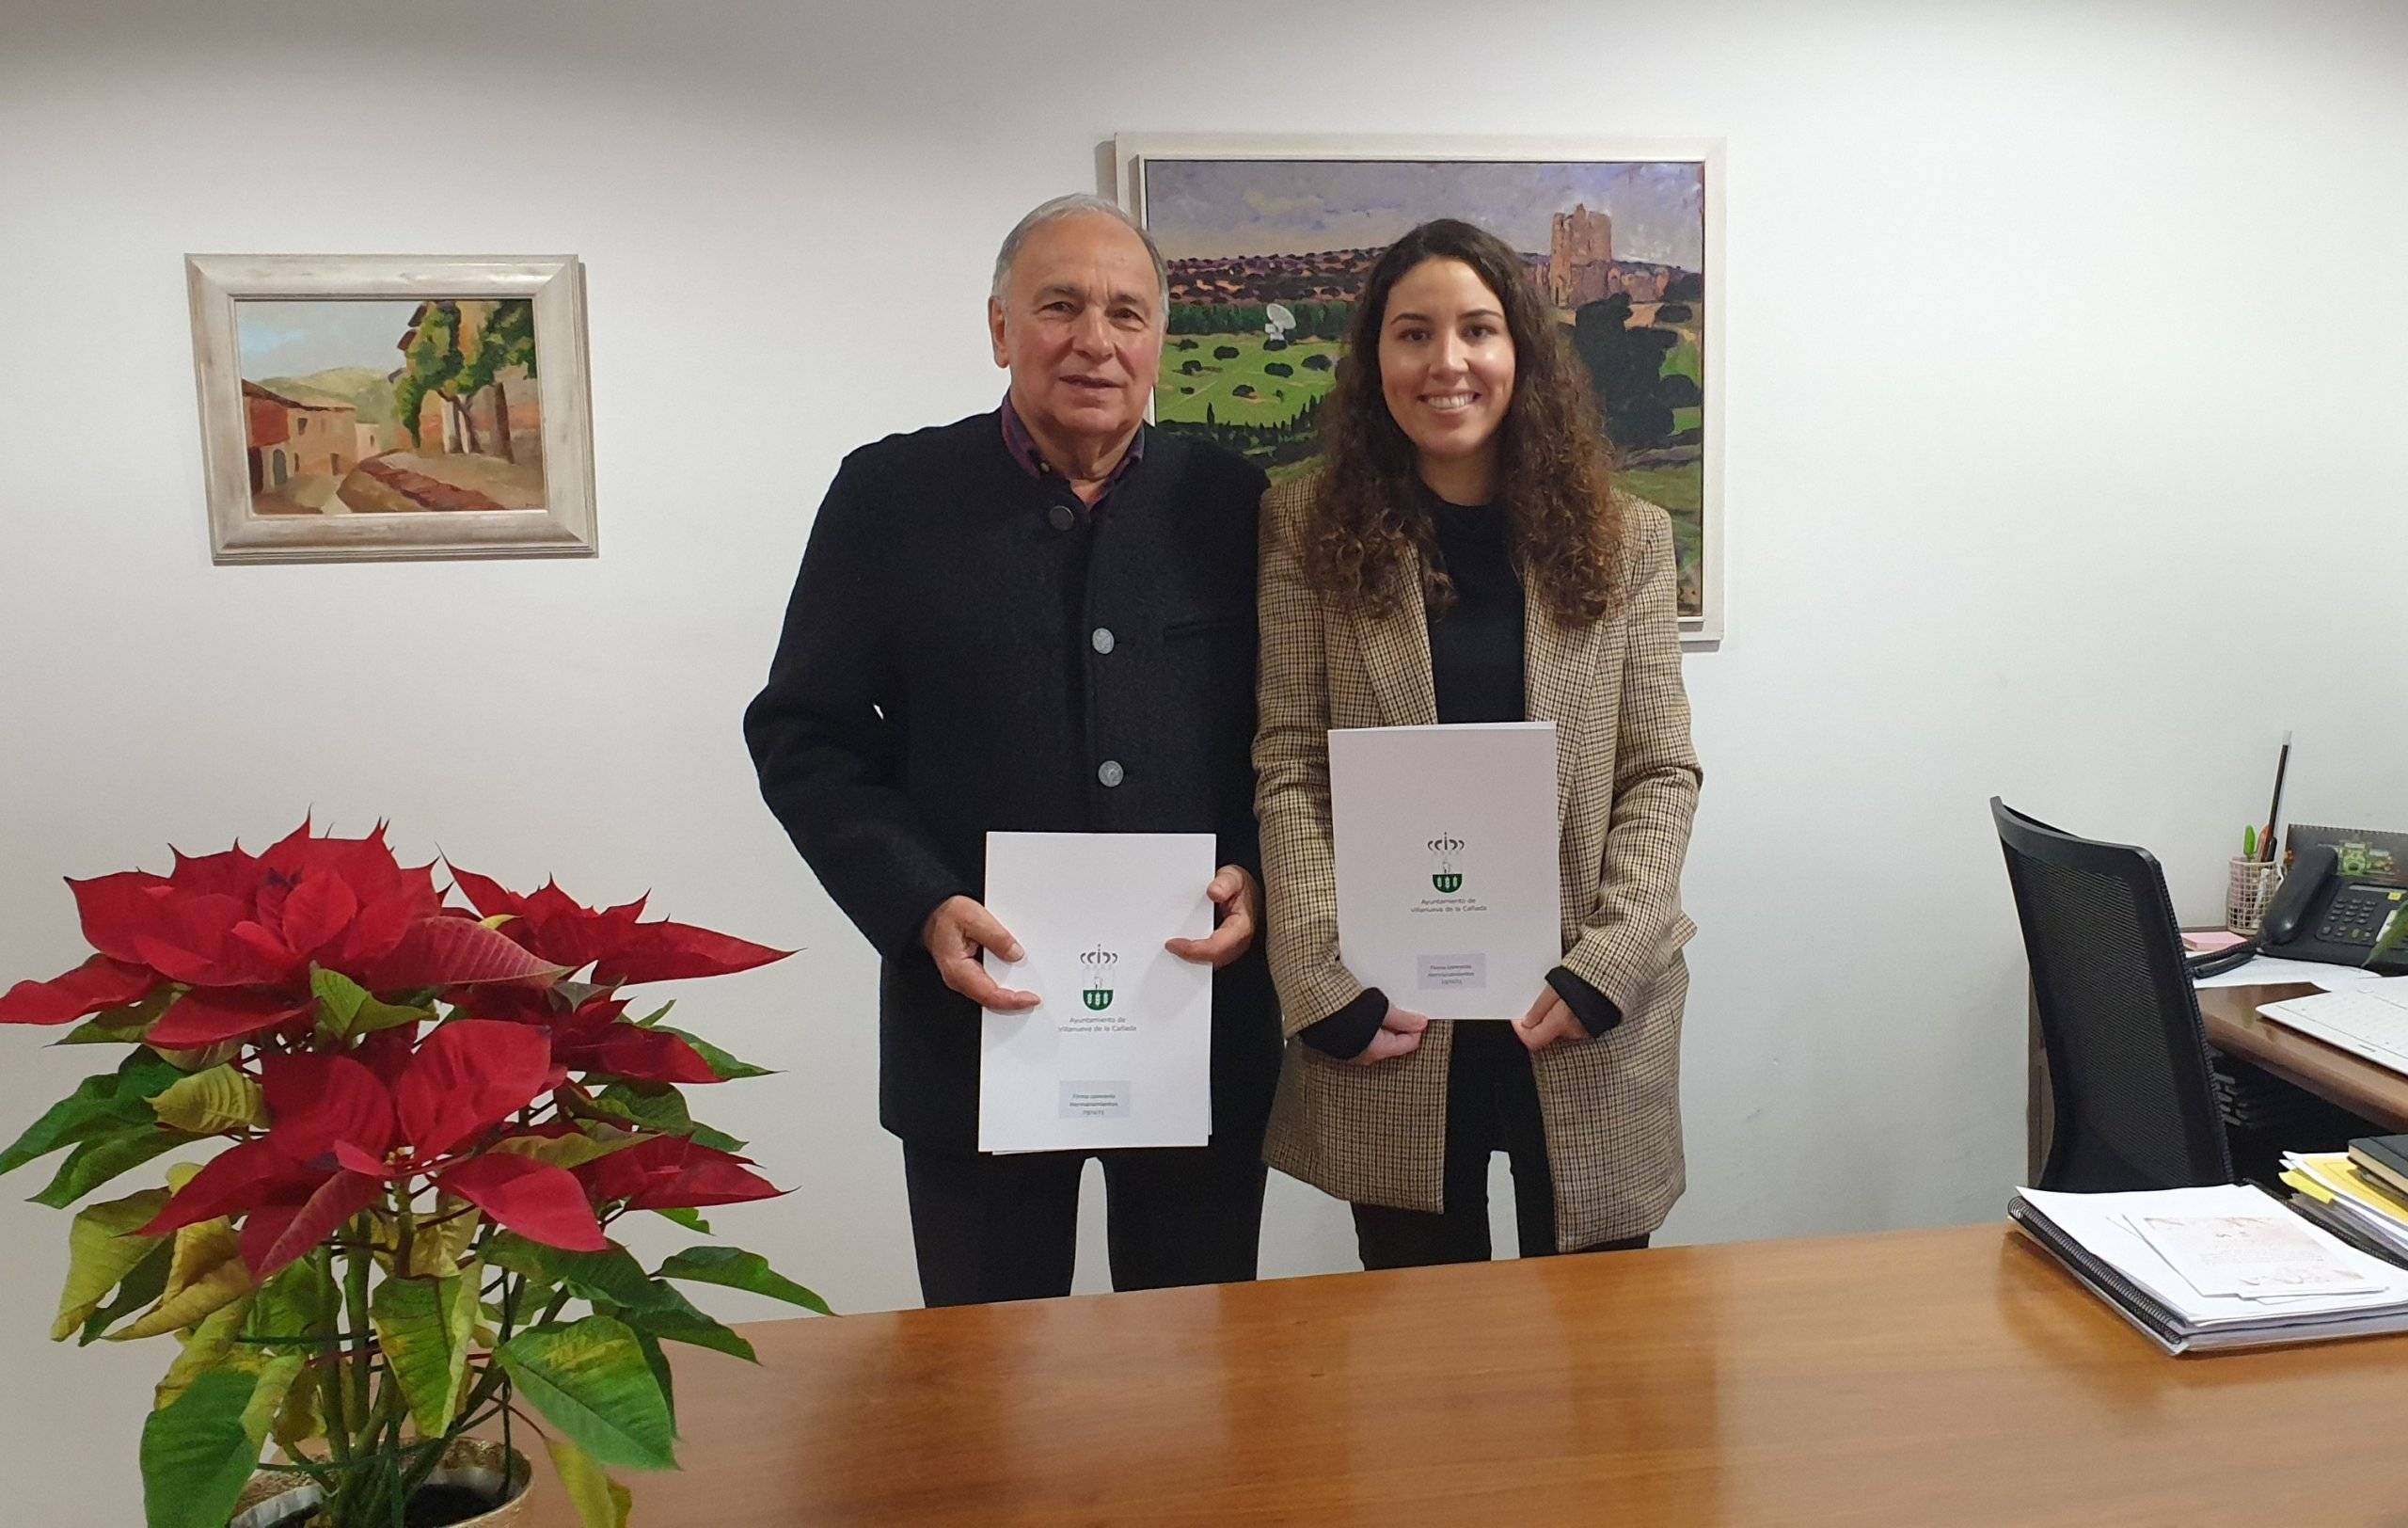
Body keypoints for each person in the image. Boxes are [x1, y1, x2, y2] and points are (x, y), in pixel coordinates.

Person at [743, 194, 1279, 1306]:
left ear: (1159, 344)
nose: (1096, 339)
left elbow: (1290, 736)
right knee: (985, 1393)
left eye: (1127, 313)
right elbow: (806, 735)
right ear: (999, 329)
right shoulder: (888, 496)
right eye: (1060, 306)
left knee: (1196, 1384)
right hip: (974, 1030)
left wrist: (1259, 875)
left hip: (1194, 1028)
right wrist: (919, 901)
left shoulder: (1235, 505)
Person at [1252, 217, 1702, 1267]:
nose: (1445, 362)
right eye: (1412, 333)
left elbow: (1658, 770)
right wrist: (1323, 980)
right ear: (1375, 360)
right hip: (1395, 1015)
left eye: (1477, 330)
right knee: (1419, 1372)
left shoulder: (1627, 536)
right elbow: (1290, 763)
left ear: (1521, 354)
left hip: (1584, 1009)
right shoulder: (1303, 529)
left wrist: (1612, 959)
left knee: (1605, 1370)